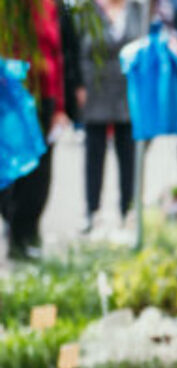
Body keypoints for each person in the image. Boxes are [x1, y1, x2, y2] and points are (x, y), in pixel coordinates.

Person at [0, 0, 78, 259]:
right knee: (12, 172)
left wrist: (59, 106)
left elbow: (56, 54)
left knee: (39, 175)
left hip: (42, 98)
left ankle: (26, 236)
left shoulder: (50, 5)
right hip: (11, 97)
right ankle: (17, 234)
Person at [77, 0, 145, 233]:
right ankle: (91, 210)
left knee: (128, 153)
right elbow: (77, 49)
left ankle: (128, 210)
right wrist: (78, 86)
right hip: (95, 88)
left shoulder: (137, 9)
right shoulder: (88, 10)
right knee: (94, 154)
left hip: (127, 91)